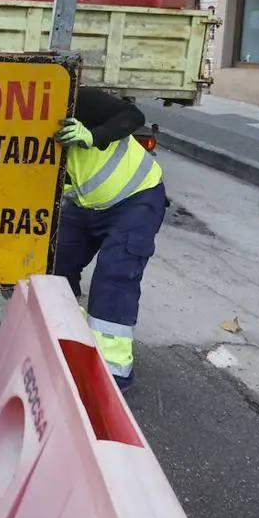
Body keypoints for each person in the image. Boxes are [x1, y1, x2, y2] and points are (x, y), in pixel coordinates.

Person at [52, 88, 166, 391]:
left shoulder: (77, 97)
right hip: (86, 205)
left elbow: (134, 117)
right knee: (56, 264)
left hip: (136, 198)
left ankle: (114, 375)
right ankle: (71, 342)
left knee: (113, 276)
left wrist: (93, 134)